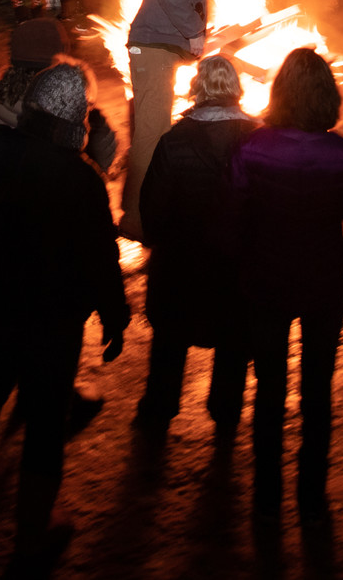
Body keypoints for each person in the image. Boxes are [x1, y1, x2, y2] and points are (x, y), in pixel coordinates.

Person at [0, 63, 128, 556]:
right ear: (75, 118)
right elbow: (99, 255)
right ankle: (34, 526)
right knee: (46, 416)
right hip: (52, 317)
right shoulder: (80, 177)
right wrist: (114, 314)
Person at [229, 49, 343, 521]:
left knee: (269, 386)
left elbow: (231, 223)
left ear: (279, 93)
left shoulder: (251, 149)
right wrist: (339, 253)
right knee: (318, 388)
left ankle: (267, 494)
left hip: (266, 283)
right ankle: (313, 493)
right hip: (322, 286)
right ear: (326, 96)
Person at [135, 55, 258, 429]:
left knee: (170, 342)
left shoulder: (175, 141)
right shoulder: (259, 140)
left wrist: (161, 243)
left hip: (180, 267)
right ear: (236, 88)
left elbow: (151, 209)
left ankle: (159, 410)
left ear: (197, 87)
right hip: (237, 269)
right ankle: (226, 412)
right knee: (233, 344)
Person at [122, 0, 219, 240]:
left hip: (159, 46)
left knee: (156, 129)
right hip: (152, 48)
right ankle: (134, 218)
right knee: (151, 132)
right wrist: (194, 32)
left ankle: (151, 208)